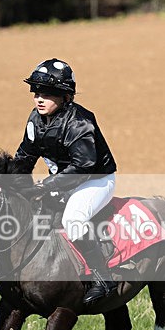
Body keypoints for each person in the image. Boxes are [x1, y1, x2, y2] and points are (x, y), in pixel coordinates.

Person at [13, 58, 118, 305]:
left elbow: (83, 167)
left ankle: (103, 279)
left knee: (73, 220)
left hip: (94, 181)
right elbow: (25, 157)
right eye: (36, 92)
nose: (39, 98)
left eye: (47, 94)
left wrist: (44, 187)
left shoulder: (79, 122)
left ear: (65, 96)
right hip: (62, 181)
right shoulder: (35, 120)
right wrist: (10, 182)